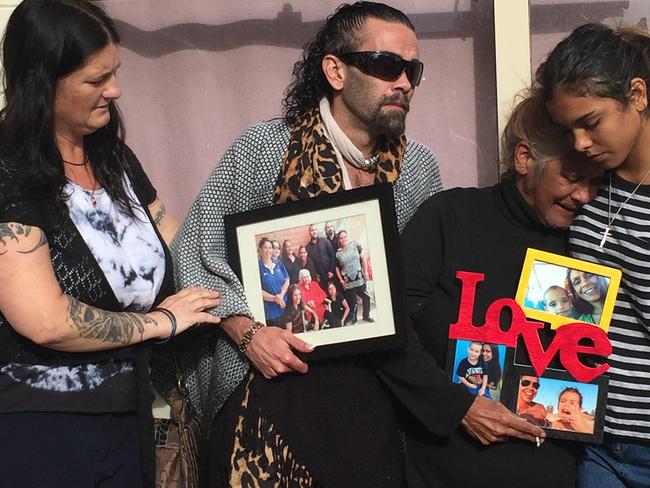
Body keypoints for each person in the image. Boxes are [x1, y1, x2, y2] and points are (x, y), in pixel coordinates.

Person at [170, 3, 442, 486]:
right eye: (385, 65)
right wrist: (247, 333)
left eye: (412, 70)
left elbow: (425, 285)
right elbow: (192, 253)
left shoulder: (419, 168)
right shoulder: (262, 149)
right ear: (335, 70)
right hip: (269, 389)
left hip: (374, 398)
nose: (402, 82)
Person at [0, 1, 221, 487]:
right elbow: (46, 320)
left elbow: (179, 245)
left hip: (126, 411)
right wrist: (161, 323)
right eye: (95, 80)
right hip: (39, 426)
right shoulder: (9, 168)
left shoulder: (114, 159)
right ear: (42, 80)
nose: (115, 91)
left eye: (115, 73)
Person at [396, 92, 604, 488]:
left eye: (596, 181)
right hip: (442, 473)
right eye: (573, 178)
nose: (584, 196)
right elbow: (390, 333)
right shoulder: (449, 216)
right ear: (525, 158)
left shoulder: (590, 239)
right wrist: (459, 408)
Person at [539, 23, 650, 487]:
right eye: (569, 130)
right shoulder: (588, 187)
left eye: (590, 122)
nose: (581, 142)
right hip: (593, 440)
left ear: (638, 96)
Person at [335, 229, 373, 323]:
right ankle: (353, 318)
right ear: (338, 240)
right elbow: (336, 268)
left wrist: (366, 273)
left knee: (366, 297)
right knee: (352, 302)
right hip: (349, 282)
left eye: (345, 236)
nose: (343, 239)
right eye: (341, 238)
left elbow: (363, 259)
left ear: (347, 237)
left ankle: (366, 316)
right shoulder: (338, 254)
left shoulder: (355, 246)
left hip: (359, 278)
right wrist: (341, 280)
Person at [258, 237, 290, 326]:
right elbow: (257, 290)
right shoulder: (257, 267)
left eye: (270, 247)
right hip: (271, 314)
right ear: (260, 250)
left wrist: (281, 295)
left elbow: (287, 280)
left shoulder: (278, 263)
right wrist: (275, 298)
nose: (268, 250)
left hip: (285, 308)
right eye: (265, 247)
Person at [305, 223, 336, 289]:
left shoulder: (325, 241)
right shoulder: (307, 247)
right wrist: (315, 275)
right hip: (320, 278)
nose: (314, 231)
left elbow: (332, 256)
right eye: (312, 230)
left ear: (317, 230)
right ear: (309, 232)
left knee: (335, 294)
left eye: (315, 229)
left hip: (330, 274)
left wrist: (331, 270)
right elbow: (310, 264)